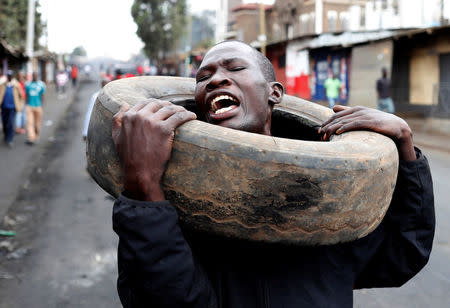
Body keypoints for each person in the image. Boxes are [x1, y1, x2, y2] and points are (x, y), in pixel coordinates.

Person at [111, 40, 435, 307]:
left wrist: (406, 150)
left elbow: (399, 256)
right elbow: (157, 299)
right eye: (203, 76)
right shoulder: (179, 196)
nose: (215, 80)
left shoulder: (327, 192)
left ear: (274, 93)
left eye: (235, 68)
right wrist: (144, 191)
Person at [0, 70, 24, 147]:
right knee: (4, 123)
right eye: (8, 76)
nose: (9, 77)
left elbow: (22, 96)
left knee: (10, 123)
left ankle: (10, 139)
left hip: (12, 108)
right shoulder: (3, 85)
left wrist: (20, 106)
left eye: (10, 76)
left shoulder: (16, 85)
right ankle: (6, 135)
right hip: (4, 108)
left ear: (12, 76)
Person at [25, 72, 46, 145]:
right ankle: (31, 138)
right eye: (33, 75)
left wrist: (41, 105)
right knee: (30, 123)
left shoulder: (42, 84)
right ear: (32, 76)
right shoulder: (28, 84)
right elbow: (26, 95)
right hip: (30, 106)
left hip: (38, 106)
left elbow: (42, 96)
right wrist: (26, 104)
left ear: (38, 76)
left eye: (36, 75)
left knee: (37, 124)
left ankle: (36, 136)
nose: (34, 77)